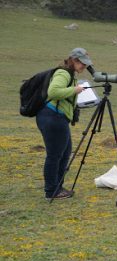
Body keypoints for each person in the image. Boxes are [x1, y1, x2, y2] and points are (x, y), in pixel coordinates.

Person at [36, 47, 92, 199]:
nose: (84, 67)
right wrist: (75, 90)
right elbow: (53, 92)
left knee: (65, 153)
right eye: (82, 63)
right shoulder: (63, 73)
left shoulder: (70, 74)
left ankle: (58, 187)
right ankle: (51, 191)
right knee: (54, 156)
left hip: (58, 118)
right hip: (53, 117)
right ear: (74, 60)